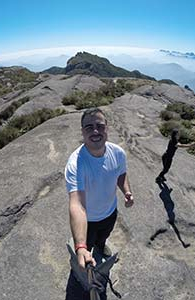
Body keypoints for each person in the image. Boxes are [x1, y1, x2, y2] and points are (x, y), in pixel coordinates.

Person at [64, 107, 134, 299]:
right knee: (87, 250)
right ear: (82, 132)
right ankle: (86, 263)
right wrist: (80, 247)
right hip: (89, 221)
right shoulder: (76, 164)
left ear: (106, 129)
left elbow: (120, 173)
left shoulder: (117, 153)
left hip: (110, 212)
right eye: (89, 127)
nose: (95, 131)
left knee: (103, 239)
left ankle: (101, 246)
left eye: (99, 126)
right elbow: (76, 204)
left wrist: (126, 191)